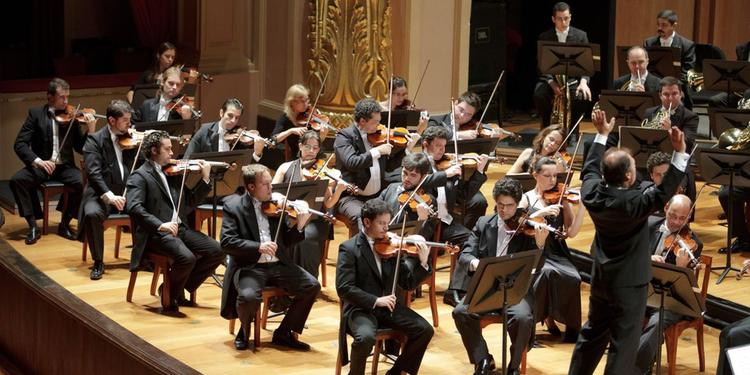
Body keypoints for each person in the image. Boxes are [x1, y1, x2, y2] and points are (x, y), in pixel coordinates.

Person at [568, 108, 688, 374]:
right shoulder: (635, 202)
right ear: (628, 177)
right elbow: (665, 189)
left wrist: (602, 136)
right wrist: (679, 152)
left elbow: (589, 171)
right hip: (630, 285)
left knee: (592, 335)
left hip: (601, 279)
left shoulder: (592, 194)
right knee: (623, 345)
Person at [452, 178, 548, 375]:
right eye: (500, 205)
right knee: (461, 311)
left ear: (518, 204)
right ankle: (483, 359)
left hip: (515, 291)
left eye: (510, 206)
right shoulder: (483, 223)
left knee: (522, 317)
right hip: (487, 288)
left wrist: (540, 246)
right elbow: (465, 255)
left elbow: (537, 267)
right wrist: (476, 263)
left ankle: (514, 366)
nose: (504, 210)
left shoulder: (527, 228)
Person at [220, 164, 320, 351]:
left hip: (278, 264)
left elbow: (287, 242)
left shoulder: (275, 206)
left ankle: (284, 332)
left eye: (270, 183)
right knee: (249, 296)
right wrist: (258, 247)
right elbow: (227, 242)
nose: (271, 188)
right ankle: (244, 328)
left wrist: (299, 226)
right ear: (251, 187)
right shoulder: (233, 207)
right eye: (265, 184)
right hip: (250, 266)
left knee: (311, 286)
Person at [125, 131, 224, 311]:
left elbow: (191, 201)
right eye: (168, 149)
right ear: (154, 150)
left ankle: (172, 288)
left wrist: (205, 179)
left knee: (217, 250)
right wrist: (160, 224)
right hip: (156, 233)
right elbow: (134, 207)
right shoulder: (140, 176)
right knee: (186, 258)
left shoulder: (174, 174)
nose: (172, 153)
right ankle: (173, 293)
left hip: (180, 229)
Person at [336, 198, 434, 375]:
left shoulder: (392, 246)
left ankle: (396, 372)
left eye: (387, 223)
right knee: (365, 338)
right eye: (381, 223)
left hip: (388, 308)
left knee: (424, 330)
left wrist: (423, 263)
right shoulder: (349, 248)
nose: (386, 228)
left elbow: (408, 283)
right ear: (367, 222)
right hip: (361, 309)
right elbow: (344, 288)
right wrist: (376, 300)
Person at [11, 78, 96, 245]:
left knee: (83, 182)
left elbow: (81, 147)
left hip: (64, 166)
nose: (66, 101)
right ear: (50, 97)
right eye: (62, 97)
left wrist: (90, 131)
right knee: (17, 181)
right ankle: (32, 224)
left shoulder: (71, 116)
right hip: (42, 166)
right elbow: (19, 144)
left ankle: (65, 223)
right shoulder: (35, 114)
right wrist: (38, 161)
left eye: (67, 97)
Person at [418, 126, 489, 305]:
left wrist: (479, 172)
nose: (443, 151)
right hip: (426, 225)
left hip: (445, 222)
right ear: (425, 145)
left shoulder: (445, 165)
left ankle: (457, 289)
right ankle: (456, 290)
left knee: (473, 242)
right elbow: (417, 183)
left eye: (444, 146)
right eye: (438, 146)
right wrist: (445, 175)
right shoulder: (418, 162)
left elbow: (463, 196)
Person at [635, 194, 703, 374]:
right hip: (643, 290)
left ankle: (635, 367)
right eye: (673, 215)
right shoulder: (647, 225)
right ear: (665, 208)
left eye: (682, 218)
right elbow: (628, 255)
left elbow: (688, 288)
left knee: (658, 321)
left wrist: (681, 268)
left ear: (689, 217)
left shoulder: (693, 243)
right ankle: (641, 361)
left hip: (671, 301)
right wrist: (646, 258)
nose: (676, 222)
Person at [520, 156, 585, 343]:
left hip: (556, 250)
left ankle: (570, 327)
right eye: (547, 176)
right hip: (534, 249)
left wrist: (581, 208)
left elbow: (571, 232)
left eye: (555, 176)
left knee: (574, 278)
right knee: (545, 274)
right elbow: (517, 224)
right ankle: (532, 326)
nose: (552, 180)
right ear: (535, 175)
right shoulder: (526, 199)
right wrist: (540, 213)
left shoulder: (561, 198)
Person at [272, 130, 345, 278]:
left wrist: (339, 190)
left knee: (304, 238)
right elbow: (271, 193)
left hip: (314, 221)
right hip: (288, 217)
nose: (311, 151)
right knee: (279, 233)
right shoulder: (285, 167)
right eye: (307, 147)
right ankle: (281, 279)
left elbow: (329, 203)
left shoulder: (324, 172)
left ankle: (305, 280)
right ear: (300, 146)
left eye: (315, 148)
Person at [78, 100, 137, 280]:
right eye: (125, 120)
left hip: (126, 193)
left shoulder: (131, 140)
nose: (129, 123)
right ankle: (98, 262)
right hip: (100, 194)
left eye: (130, 119)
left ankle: (144, 258)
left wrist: (142, 146)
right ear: (111, 120)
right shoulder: (94, 141)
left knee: (148, 209)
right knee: (92, 214)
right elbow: (93, 174)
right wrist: (109, 196)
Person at [334, 98, 396, 237]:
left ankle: (384, 255)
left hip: (377, 196)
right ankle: (359, 256)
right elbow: (352, 162)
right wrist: (377, 151)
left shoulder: (378, 136)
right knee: (360, 218)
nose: (379, 125)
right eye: (375, 122)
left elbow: (391, 164)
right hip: (351, 197)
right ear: (362, 121)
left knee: (396, 212)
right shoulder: (344, 137)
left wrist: (409, 145)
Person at [533, 2, 592, 130]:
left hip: (572, 80)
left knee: (581, 96)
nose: (564, 22)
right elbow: (540, 64)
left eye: (566, 18)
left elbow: (587, 64)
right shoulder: (544, 37)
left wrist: (583, 82)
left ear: (570, 17)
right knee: (539, 94)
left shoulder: (581, 36)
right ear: (553, 19)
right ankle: (546, 128)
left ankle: (572, 130)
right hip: (552, 79)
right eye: (560, 19)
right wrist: (551, 82)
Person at [184, 98, 265, 160]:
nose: (233, 121)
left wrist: (257, 153)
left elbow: (248, 168)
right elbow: (187, 157)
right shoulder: (204, 130)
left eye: (237, 118)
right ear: (221, 113)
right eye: (230, 116)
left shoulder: (240, 139)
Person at [272, 84, 330, 161]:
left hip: (315, 156)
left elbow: (317, 144)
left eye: (307, 100)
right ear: (292, 102)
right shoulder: (285, 119)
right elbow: (274, 139)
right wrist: (291, 131)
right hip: (297, 158)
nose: (306, 104)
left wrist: (322, 136)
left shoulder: (312, 115)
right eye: (302, 101)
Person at [643, 9, 696, 82]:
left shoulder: (687, 45)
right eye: (658, 24)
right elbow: (647, 67)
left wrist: (671, 85)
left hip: (676, 86)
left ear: (674, 26)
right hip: (654, 85)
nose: (659, 28)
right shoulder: (649, 43)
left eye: (664, 25)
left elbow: (687, 72)